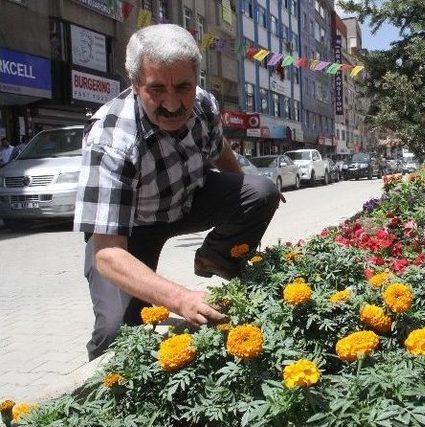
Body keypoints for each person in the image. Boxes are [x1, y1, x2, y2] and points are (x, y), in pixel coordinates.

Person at [73, 24, 282, 361]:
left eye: (183, 86)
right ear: (135, 83)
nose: (172, 103)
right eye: (156, 89)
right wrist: (180, 298)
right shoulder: (111, 140)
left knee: (262, 190)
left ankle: (215, 257)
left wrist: (251, 195)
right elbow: (107, 255)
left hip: (186, 202)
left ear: (197, 79)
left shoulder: (203, 105)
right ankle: (99, 391)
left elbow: (220, 150)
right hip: (132, 230)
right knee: (117, 333)